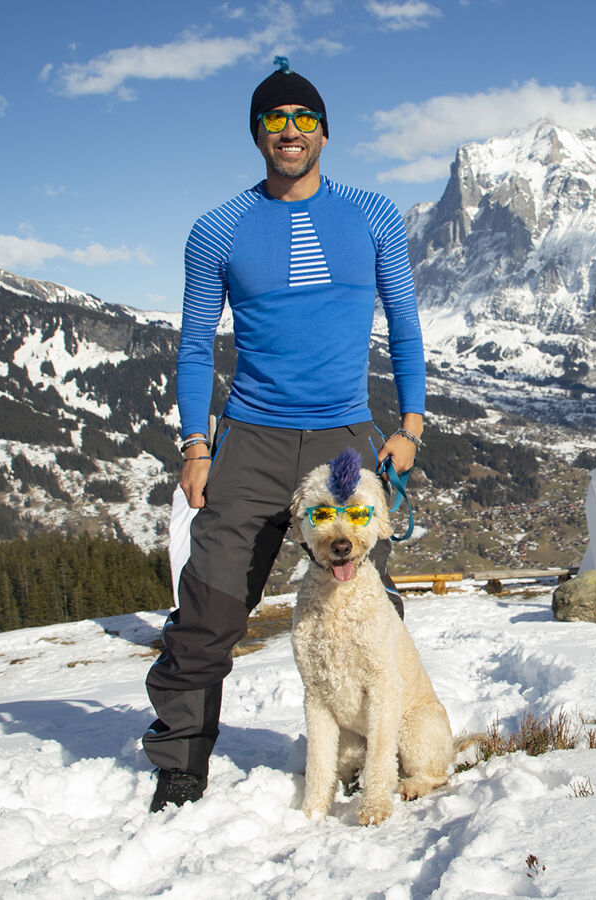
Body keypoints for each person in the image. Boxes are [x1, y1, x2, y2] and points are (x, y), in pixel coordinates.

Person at [143, 58, 425, 813]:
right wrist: (195, 445)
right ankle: (179, 760)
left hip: (343, 439)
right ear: (257, 134)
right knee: (210, 606)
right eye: (275, 119)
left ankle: (377, 750)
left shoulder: (372, 215)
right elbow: (196, 344)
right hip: (252, 440)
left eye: (304, 118)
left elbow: (403, 321)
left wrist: (410, 425)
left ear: (326, 132)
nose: (290, 131)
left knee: (372, 604)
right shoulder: (219, 230)